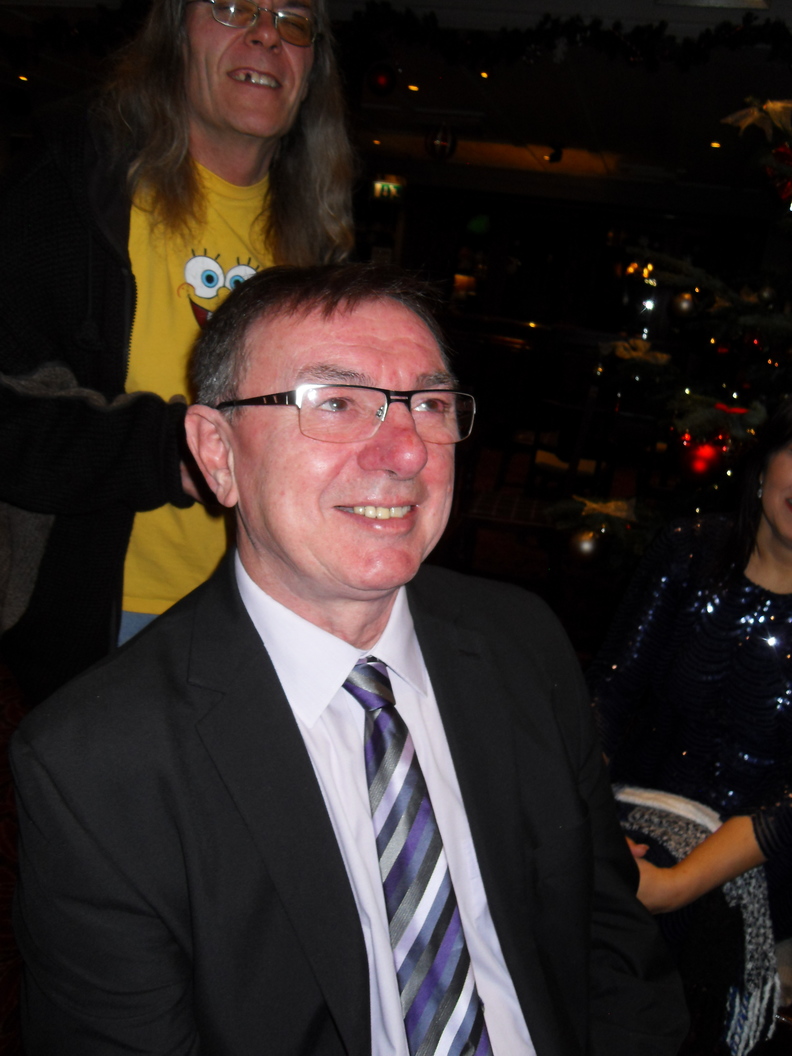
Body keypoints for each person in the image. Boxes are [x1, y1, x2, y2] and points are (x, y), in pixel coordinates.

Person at [10, 264, 688, 1055]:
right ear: (217, 453)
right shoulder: (98, 766)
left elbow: (609, 945)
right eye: (335, 404)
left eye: (429, 405)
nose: (405, 452)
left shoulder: (522, 644)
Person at [0, 0, 354, 705]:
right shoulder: (70, 192)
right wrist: (187, 453)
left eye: (293, 19)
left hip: (270, 619)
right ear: (172, 34)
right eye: (232, 7)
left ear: (312, 67)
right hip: (106, 619)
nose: (266, 33)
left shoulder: (320, 243)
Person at [587, 400, 792, 1054]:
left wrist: (677, 885)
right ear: (765, 467)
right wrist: (591, 827)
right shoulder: (688, 549)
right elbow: (610, 695)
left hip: (763, 857)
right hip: (630, 812)